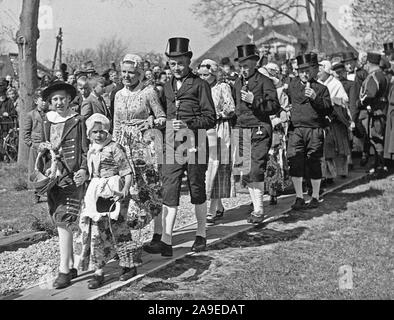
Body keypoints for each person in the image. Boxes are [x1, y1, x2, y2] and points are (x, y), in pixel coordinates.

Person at [144, 37, 216, 256]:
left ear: (189, 61)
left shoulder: (200, 84)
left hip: (196, 143)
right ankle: (166, 240)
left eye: (180, 63)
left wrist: (189, 124)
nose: (176, 67)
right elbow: (162, 114)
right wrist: (156, 121)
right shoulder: (165, 87)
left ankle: (201, 234)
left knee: (196, 188)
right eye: (172, 63)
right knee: (169, 188)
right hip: (171, 145)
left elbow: (210, 118)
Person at [74, 113, 137, 289]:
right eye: (95, 132)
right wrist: (83, 175)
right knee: (95, 231)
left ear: (107, 131)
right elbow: (89, 170)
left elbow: (127, 171)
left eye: (102, 131)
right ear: (89, 134)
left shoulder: (115, 148)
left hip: (115, 190)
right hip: (96, 192)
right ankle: (98, 270)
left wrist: (125, 190)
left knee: (119, 228)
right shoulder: (92, 149)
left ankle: (128, 265)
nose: (99, 135)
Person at [38, 81, 89, 289]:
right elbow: (39, 145)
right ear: (50, 102)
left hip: (71, 176)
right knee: (56, 216)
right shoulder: (46, 121)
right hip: (53, 177)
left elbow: (86, 149)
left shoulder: (77, 121)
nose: (59, 103)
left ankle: (64, 271)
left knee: (64, 219)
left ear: (70, 100)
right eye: (55, 99)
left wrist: (84, 169)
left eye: (62, 98)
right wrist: (41, 148)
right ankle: (70, 263)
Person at [232, 44, 280, 222]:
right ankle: (255, 207)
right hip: (241, 128)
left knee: (256, 167)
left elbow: (274, 106)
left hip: (259, 127)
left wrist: (255, 100)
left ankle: (259, 209)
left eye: (246, 65)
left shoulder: (264, 81)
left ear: (255, 63)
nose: (243, 69)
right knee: (245, 170)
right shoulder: (237, 82)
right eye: (241, 66)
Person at [287, 53, 332, 210]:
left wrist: (315, 98)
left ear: (313, 70)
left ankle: (315, 196)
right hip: (296, 130)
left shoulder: (321, 89)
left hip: (314, 129)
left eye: (307, 71)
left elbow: (328, 109)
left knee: (314, 162)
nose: (304, 74)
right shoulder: (292, 86)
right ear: (297, 71)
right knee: (295, 161)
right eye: (301, 71)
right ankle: (299, 197)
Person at [198, 59, 236, 224]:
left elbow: (231, 108)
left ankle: (212, 209)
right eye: (200, 74)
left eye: (206, 75)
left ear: (213, 73)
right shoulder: (200, 87)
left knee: (217, 166)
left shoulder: (222, 87)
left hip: (219, 128)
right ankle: (218, 206)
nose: (203, 77)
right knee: (206, 167)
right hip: (203, 129)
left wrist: (216, 114)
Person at [318, 60, 352, 180]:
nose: (319, 73)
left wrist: (332, 100)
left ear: (327, 71)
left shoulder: (336, 84)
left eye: (321, 70)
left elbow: (344, 99)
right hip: (324, 120)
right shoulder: (317, 83)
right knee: (327, 149)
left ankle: (343, 171)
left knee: (341, 146)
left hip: (336, 119)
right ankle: (328, 175)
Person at [359, 52, 389, 175]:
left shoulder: (374, 76)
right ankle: (378, 165)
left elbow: (369, 94)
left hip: (374, 112)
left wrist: (360, 102)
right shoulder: (383, 75)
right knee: (376, 140)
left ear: (369, 63)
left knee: (376, 140)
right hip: (381, 110)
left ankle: (381, 167)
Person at [23, 88, 49, 203]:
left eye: (46, 100)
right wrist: (33, 145)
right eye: (42, 100)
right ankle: (36, 194)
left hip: (48, 147)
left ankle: (50, 192)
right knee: (37, 170)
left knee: (48, 170)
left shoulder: (50, 114)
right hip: (36, 148)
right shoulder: (31, 115)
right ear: (35, 101)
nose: (44, 102)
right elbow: (25, 134)